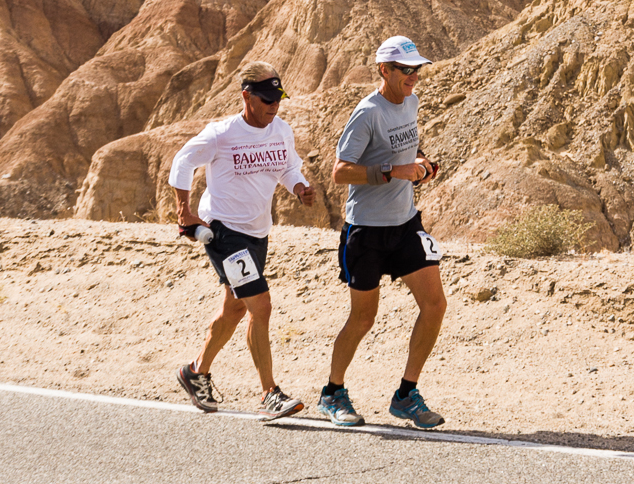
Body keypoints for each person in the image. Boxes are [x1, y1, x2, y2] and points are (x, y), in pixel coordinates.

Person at [312, 35, 447, 430]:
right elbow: (340, 171)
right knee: (363, 318)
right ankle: (332, 393)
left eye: (417, 69)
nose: (414, 77)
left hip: (404, 223)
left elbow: (408, 151)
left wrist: (420, 163)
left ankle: (406, 395)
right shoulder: (367, 113)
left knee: (435, 306)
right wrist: (392, 171)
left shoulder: (411, 101)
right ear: (384, 70)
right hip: (366, 231)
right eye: (406, 70)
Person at [169, 66, 316, 423]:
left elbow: (287, 167)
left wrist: (298, 186)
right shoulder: (222, 134)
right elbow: (183, 160)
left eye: (278, 100)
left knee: (235, 309)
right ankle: (270, 394)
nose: (274, 107)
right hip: (223, 231)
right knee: (260, 306)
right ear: (246, 96)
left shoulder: (281, 130)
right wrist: (184, 211)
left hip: (257, 232)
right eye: (266, 100)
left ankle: (195, 372)